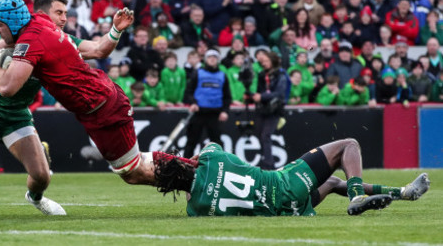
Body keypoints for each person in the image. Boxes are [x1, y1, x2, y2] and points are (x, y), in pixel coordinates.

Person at [0, 0, 198, 187]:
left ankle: (195, 180)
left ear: (12, 22)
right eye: (60, 13)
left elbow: (7, 88)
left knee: (133, 172)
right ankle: (194, 166)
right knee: (135, 165)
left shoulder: (32, 40)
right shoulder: (40, 26)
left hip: (103, 107)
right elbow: (98, 49)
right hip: (97, 106)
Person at [0, 0, 140, 218]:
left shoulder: (62, 41)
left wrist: (115, 29)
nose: (64, 19)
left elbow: (98, 50)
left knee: (42, 176)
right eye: (59, 13)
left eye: (65, 13)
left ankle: (35, 198)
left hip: (17, 112)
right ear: (43, 15)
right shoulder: (22, 35)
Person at [154, 139, 430, 216]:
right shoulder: (212, 157)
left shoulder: (195, 208)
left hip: (284, 211)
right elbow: (210, 145)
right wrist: (187, 161)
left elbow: (192, 189)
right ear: (185, 165)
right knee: (349, 146)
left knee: (333, 183)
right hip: (285, 184)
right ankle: (357, 195)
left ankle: (403, 192)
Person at [183, 49, 231, 158]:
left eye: (214, 57)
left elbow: (227, 97)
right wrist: (193, 103)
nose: (212, 59)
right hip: (199, 112)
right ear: (205, 59)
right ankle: (184, 165)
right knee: (192, 141)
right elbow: (188, 91)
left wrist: (225, 111)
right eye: (210, 57)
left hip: (215, 114)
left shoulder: (222, 75)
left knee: (217, 143)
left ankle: (220, 165)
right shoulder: (198, 73)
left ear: (218, 60)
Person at [252, 50, 287, 170]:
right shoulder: (262, 75)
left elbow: (279, 93)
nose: (264, 63)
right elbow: (258, 89)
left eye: (267, 61)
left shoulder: (280, 75)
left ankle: (269, 165)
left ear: (273, 61)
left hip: (274, 110)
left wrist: (262, 96)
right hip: (262, 109)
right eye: (263, 61)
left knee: (266, 135)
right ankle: (265, 160)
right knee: (260, 134)